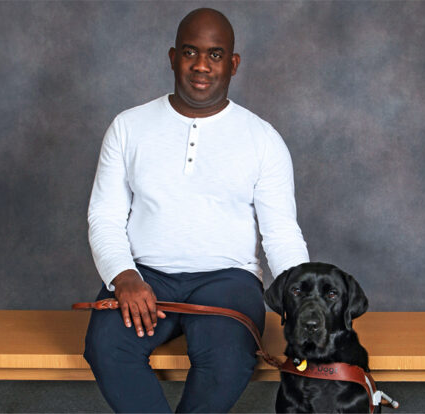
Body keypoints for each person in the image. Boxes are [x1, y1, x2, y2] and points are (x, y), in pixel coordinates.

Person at [84, 8, 309, 413]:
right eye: (191, 52)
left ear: (233, 64)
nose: (202, 65)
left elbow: (280, 233)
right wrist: (124, 277)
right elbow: (105, 217)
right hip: (144, 275)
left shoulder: (263, 139)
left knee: (228, 357)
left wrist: (305, 298)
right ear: (173, 57)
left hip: (228, 280)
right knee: (106, 346)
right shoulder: (128, 126)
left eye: (216, 55)